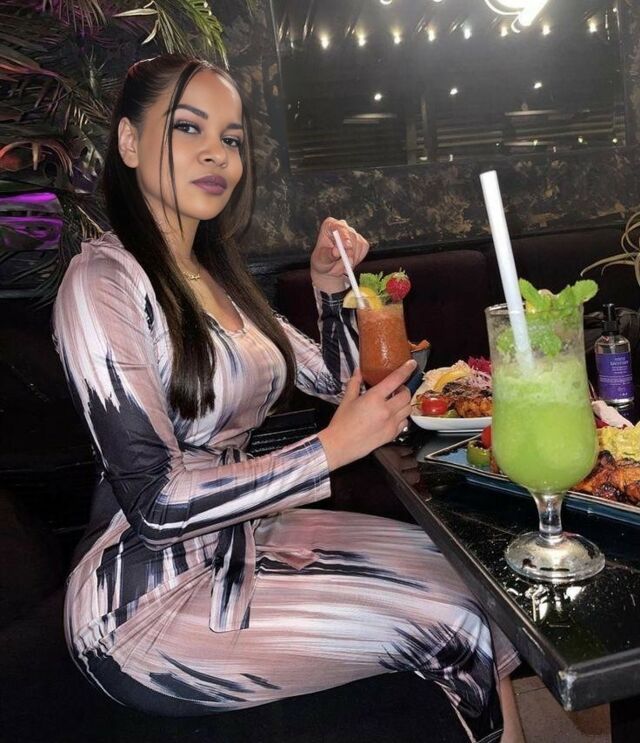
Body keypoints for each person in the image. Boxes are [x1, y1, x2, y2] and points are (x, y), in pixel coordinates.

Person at [53, 54, 524, 742]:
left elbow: (337, 381)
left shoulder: (217, 276)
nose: (217, 152)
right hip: (141, 605)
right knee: (455, 624)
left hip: (244, 535)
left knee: (475, 578)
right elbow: (153, 504)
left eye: (232, 138)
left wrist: (328, 288)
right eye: (188, 128)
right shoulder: (101, 281)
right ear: (128, 141)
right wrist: (328, 450)